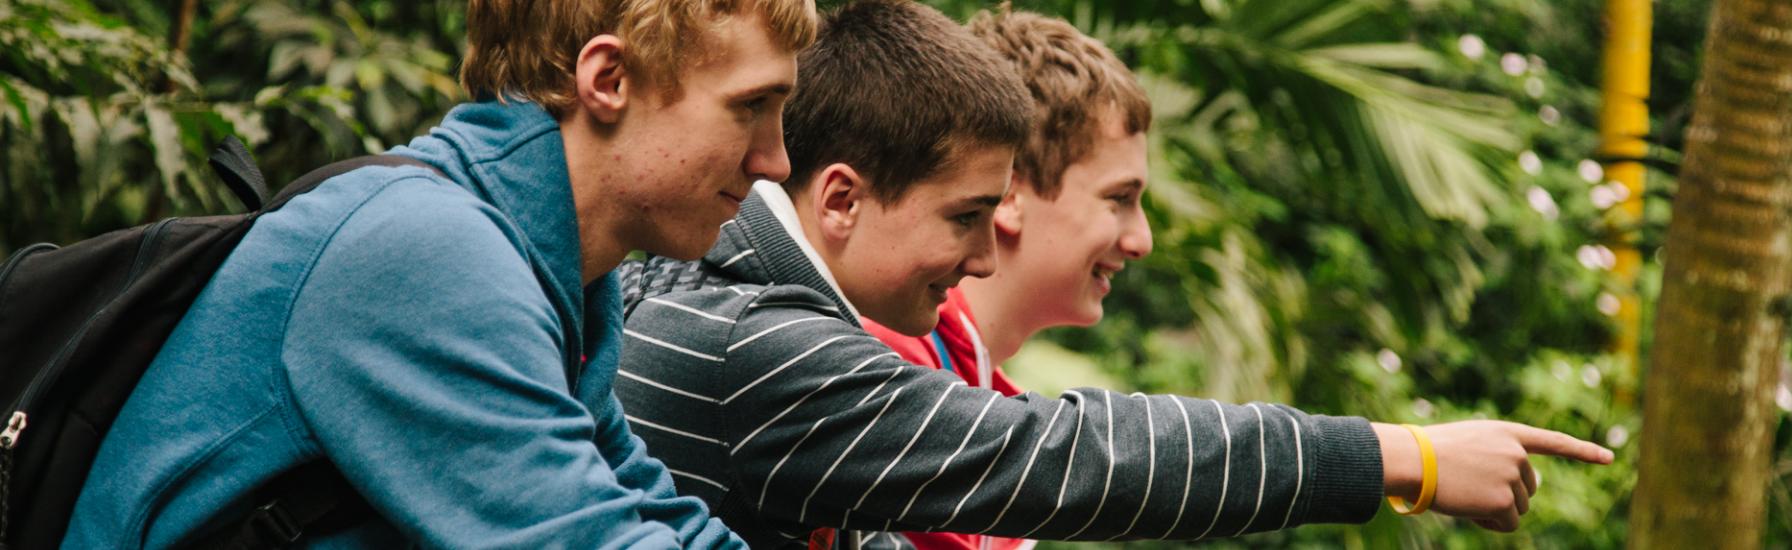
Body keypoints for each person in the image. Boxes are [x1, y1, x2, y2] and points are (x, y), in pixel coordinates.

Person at [616, 1, 1613, 548]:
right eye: (966, 217)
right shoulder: (766, 344)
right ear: (839, 199)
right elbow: (1059, 457)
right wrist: (1405, 458)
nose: (977, 255)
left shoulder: (704, 288)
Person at [63, 1, 815, 547]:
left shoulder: (552, 270)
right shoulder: (427, 255)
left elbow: (652, 513)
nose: (775, 161)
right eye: (751, 106)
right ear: (608, 77)